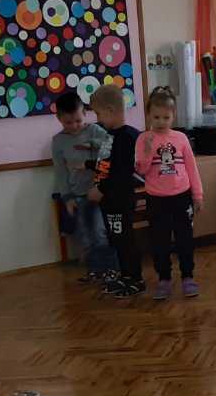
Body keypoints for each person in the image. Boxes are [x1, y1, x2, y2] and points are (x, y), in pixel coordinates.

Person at [135, 87, 203, 300]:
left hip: (181, 197)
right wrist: (148, 151)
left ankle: (188, 276)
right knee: (160, 240)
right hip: (156, 199)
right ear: (149, 115)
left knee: (185, 239)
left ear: (173, 115)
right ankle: (163, 279)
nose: (161, 121)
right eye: (156, 117)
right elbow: (141, 169)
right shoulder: (143, 138)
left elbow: (192, 168)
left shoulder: (181, 138)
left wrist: (198, 195)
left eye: (166, 117)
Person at [51, 92, 116, 286]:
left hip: (97, 192)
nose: (74, 126)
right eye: (68, 122)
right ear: (59, 118)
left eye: (78, 121)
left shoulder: (94, 130)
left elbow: (111, 143)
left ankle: (110, 269)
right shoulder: (58, 141)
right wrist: (67, 197)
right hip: (77, 195)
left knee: (99, 232)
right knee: (86, 236)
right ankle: (94, 270)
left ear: (85, 114)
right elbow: (60, 172)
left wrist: (91, 145)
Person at [87, 85, 144, 299]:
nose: (97, 119)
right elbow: (106, 163)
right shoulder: (109, 136)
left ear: (111, 110)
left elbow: (121, 171)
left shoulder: (127, 137)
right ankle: (126, 275)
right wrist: (88, 165)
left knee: (125, 240)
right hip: (109, 201)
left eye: (98, 113)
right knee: (116, 240)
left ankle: (136, 279)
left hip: (119, 199)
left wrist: (101, 188)